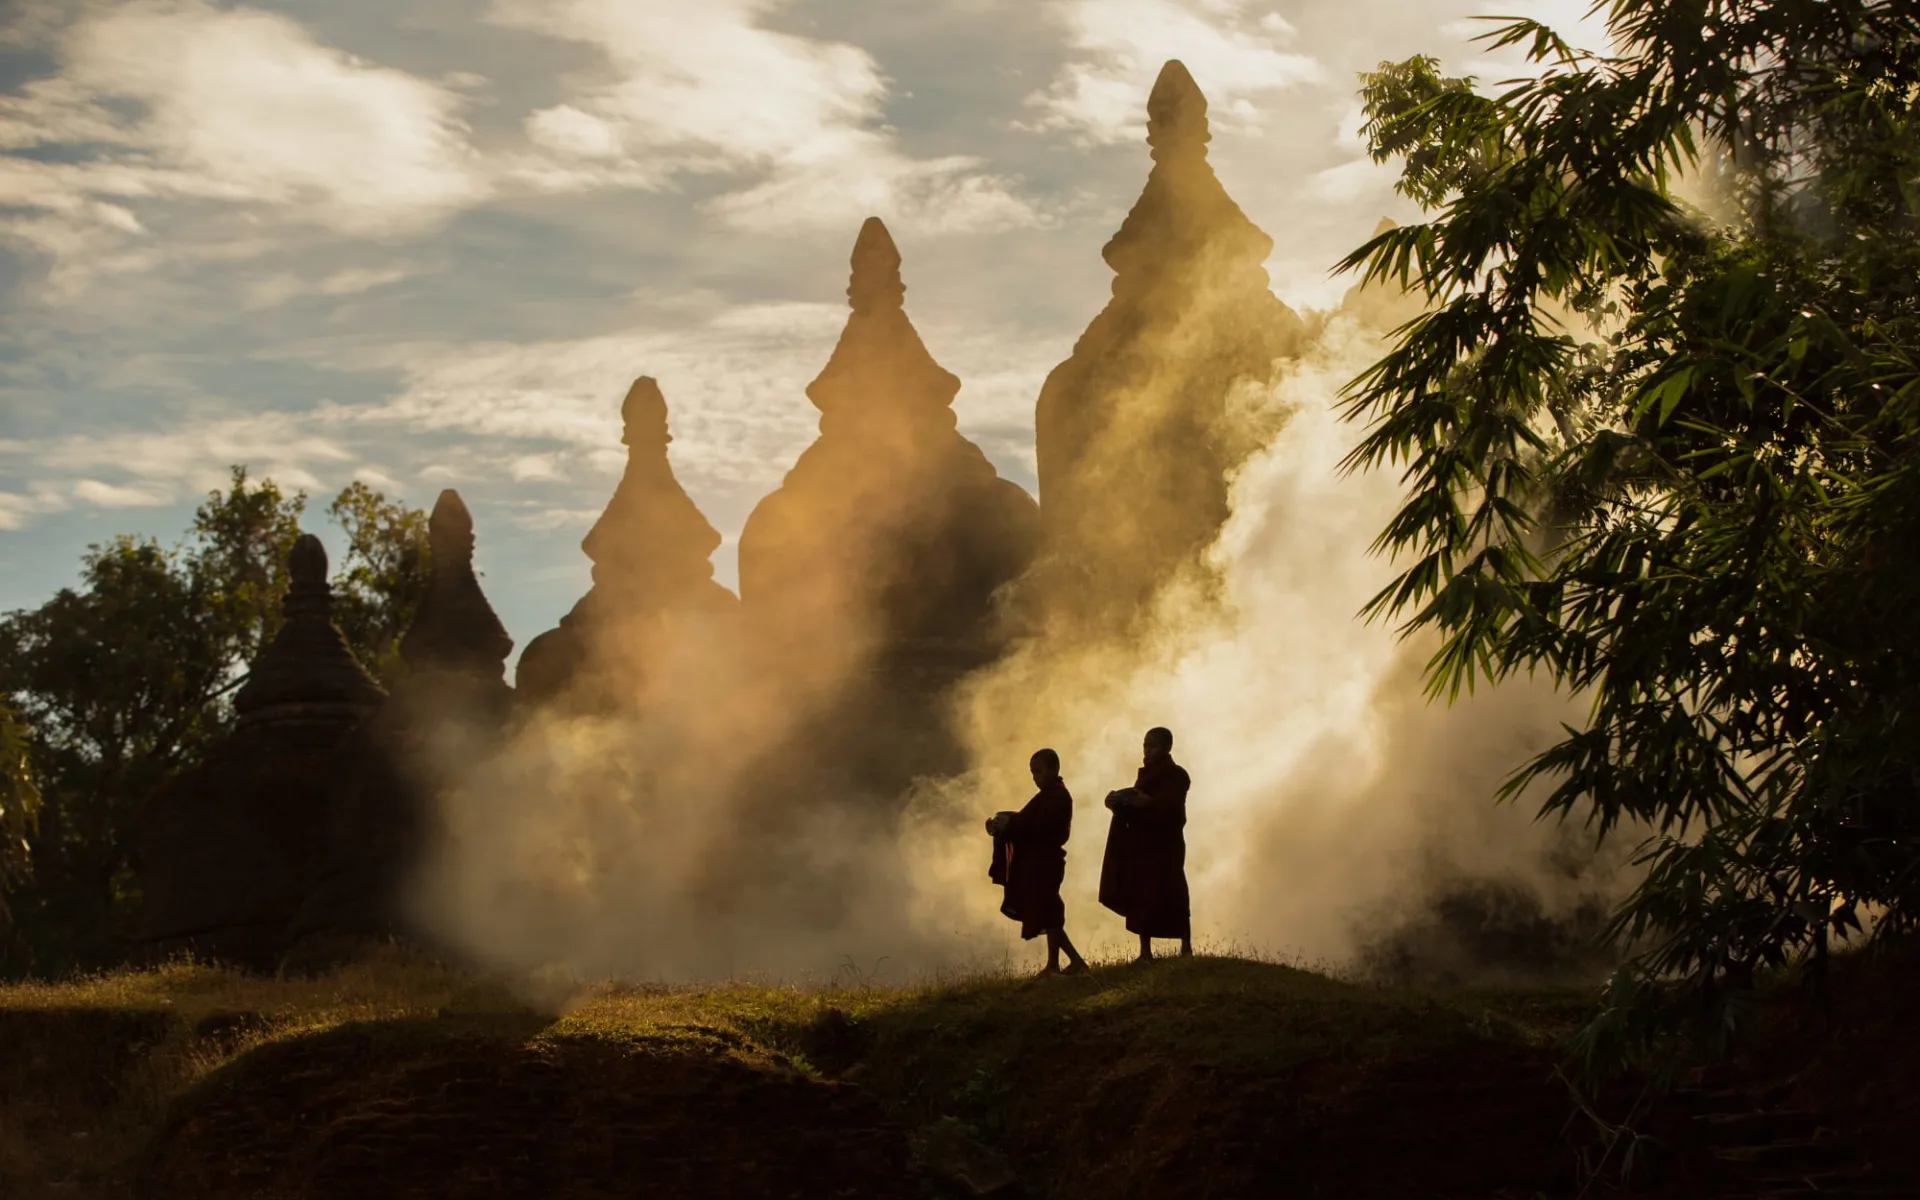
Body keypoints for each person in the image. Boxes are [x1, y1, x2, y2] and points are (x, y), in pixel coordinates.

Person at [986, 748, 1089, 976]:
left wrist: (1009, 825)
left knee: (1049, 911)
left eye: (1039, 772)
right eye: (1032, 773)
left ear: (1054, 770)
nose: (1035, 778)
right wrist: (1000, 826)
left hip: (1048, 861)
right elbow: (1026, 821)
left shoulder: (1060, 797)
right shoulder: (1046, 796)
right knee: (1047, 911)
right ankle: (1068, 962)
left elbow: (1040, 827)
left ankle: (1058, 964)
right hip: (1037, 862)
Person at [1098, 726, 1192, 962]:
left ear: (1167, 747)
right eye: (1145, 746)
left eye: (1153, 746)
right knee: (1141, 894)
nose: (1147, 751)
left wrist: (1147, 802)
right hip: (1142, 844)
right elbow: (1135, 811)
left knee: (1174, 891)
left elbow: (1174, 812)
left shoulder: (1177, 775)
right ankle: (1145, 951)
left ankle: (1186, 946)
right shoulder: (1145, 775)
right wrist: (1118, 804)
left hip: (1166, 844)